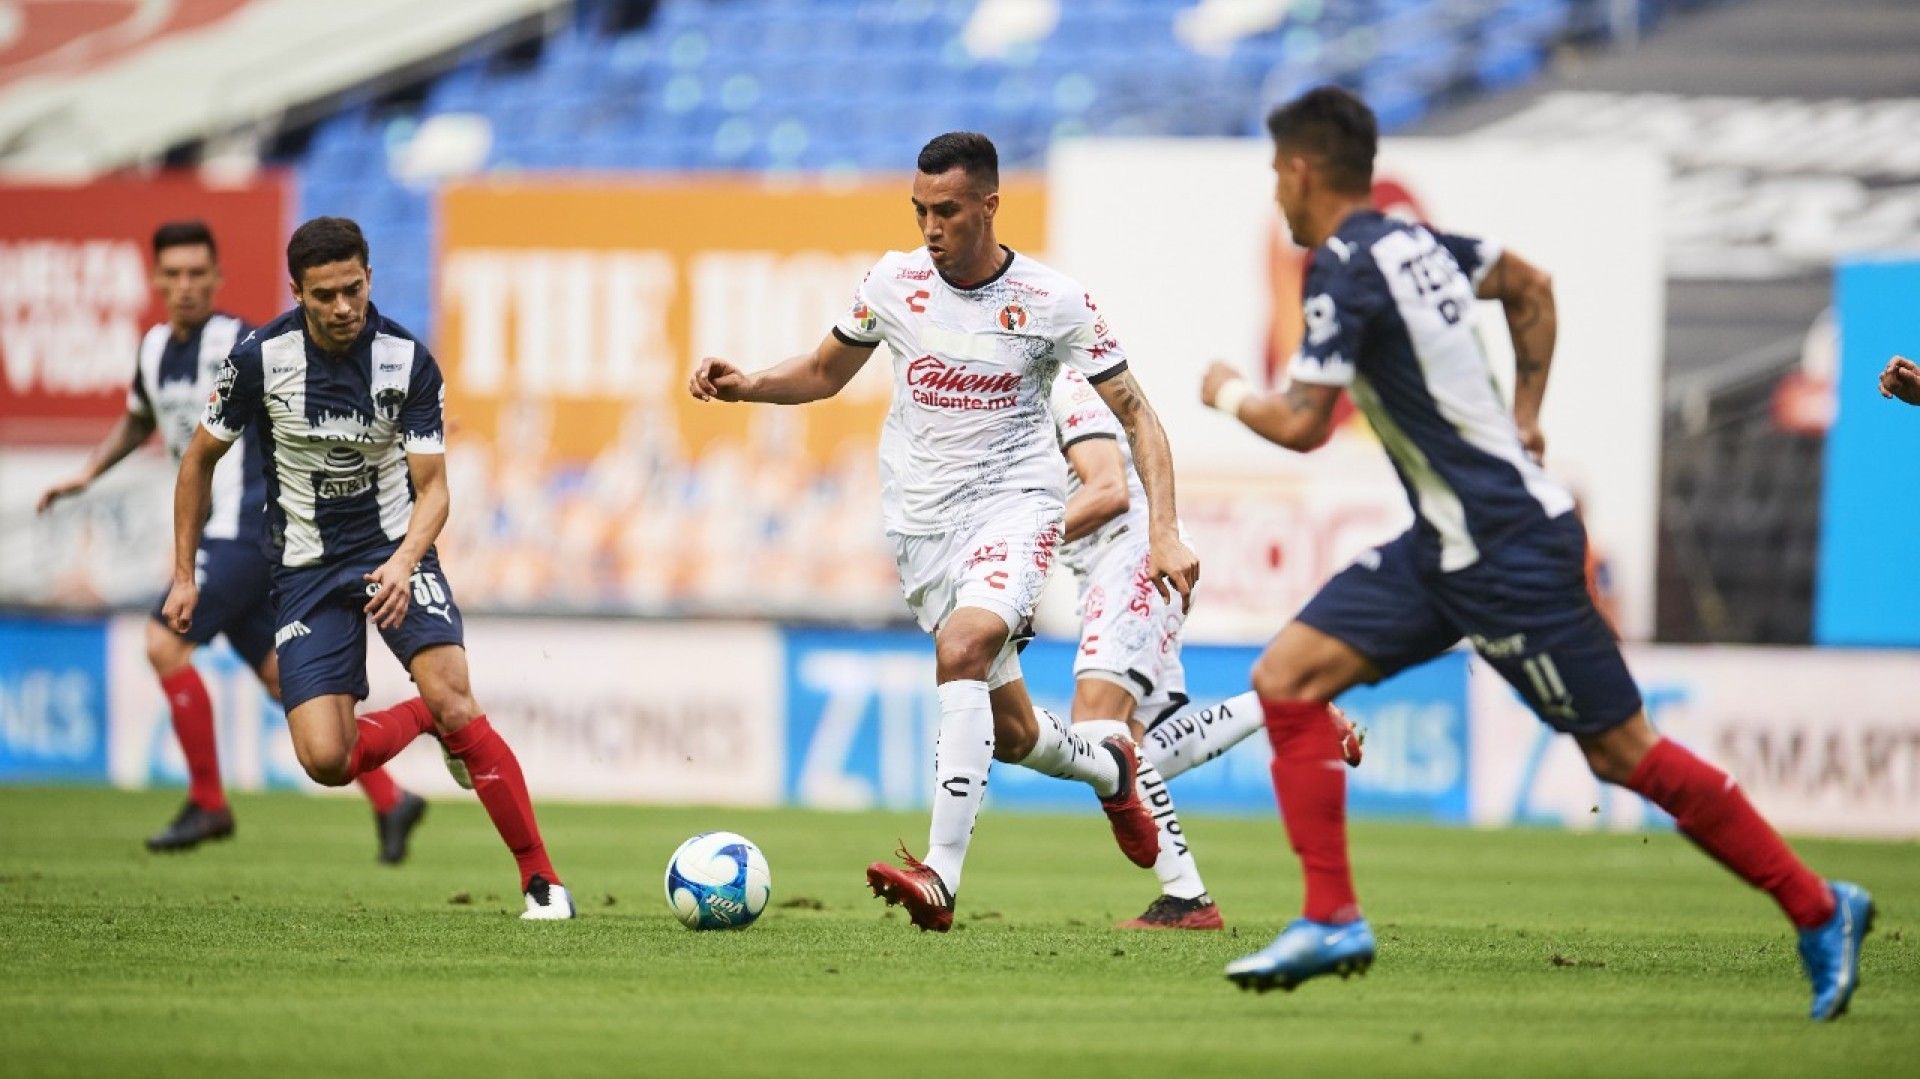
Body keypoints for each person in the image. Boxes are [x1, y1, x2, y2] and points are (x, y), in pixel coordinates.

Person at [1197, 87, 1870, 1020]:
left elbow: (1307, 424)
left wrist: (1227, 391)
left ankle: (1820, 904)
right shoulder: (1417, 244)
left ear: (1304, 169)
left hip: (1508, 550)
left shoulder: (1344, 265)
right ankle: (1332, 915)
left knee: (1621, 752)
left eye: (1277, 172)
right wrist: (1526, 417)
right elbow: (1531, 285)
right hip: (1450, 543)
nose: (1276, 192)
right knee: (1288, 676)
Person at [689, 132, 1200, 933]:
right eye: (920, 210)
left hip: (1017, 506)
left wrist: (1162, 530)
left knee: (961, 646)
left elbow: (1137, 413)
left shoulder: (1053, 299)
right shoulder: (891, 283)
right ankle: (1111, 770)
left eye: (948, 211)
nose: (931, 227)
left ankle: (940, 876)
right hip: (922, 527)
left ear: (990, 206)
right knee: (1015, 731)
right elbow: (825, 371)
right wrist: (747, 383)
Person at [166, 216, 573, 919]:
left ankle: (541, 881)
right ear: (298, 292)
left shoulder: (406, 359)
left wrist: (404, 560)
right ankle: (424, 718)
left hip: (393, 549)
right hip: (304, 568)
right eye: (324, 295)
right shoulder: (258, 359)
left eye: (353, 289)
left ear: (370, 279)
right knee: (326, 759)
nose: (343, 307)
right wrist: (182, 574)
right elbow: (198, 459)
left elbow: (435, 488)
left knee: (456, 694)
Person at [37, 220, 424, 861]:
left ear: (217, 277)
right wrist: (86, 473)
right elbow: (138, 420)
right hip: (228, 545)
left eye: (198, 273)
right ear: (156, 280)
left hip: (246, 533)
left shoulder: (247, 346)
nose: (186, 285)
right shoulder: (155, 350)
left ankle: (210, 803)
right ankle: (390, 798)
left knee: (164, 641)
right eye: (174, 274)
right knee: (283, 679)